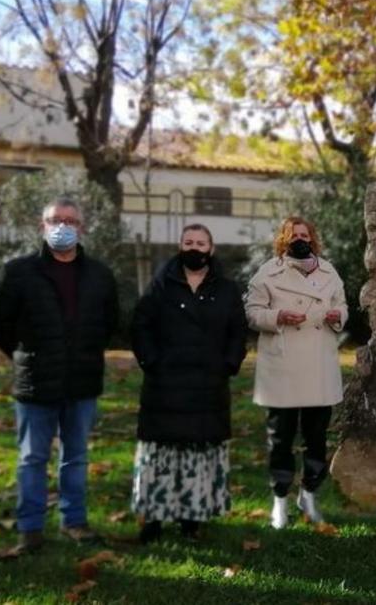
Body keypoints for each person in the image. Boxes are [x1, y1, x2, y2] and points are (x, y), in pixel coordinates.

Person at [0, 197, 119, 554]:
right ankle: (30, 529)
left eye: (70, 221)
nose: (63, 226)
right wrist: (24, 357)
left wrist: (84, 353)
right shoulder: (18, 271)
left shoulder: (100, 275)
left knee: (75, 456)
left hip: (82, 381)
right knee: (32, 458)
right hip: (35, 382)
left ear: (82, 228)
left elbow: (108, 324)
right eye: (55, 219)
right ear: (41, 226)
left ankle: (73, 521)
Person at [131, 224, 247, 542]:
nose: (194, 248)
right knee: (160, 452)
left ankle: (191, 517)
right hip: (164, 385)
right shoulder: (160, 285)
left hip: (208, 385)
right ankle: (153, 516)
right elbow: (140, 325)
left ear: (212, 249)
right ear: (179, 246)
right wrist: (151, 362)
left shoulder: (226, 289)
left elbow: (238, 331)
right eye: (188, 242)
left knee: (199, 451)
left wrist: (228, 364)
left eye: (201, 243)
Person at [246, 217, 347, 529]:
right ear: (283, 241)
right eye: (294, 236)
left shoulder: (330, 272)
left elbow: (343, 307)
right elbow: (251, 312)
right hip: (283, 367)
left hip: (318, 365)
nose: (300, 240)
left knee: (316, 438)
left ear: (313, 239)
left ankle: (309, 494)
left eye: (305, 235)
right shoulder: (268, 272)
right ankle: (280, 500)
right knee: (281, 439)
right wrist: (277, 315)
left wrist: (336, 316)